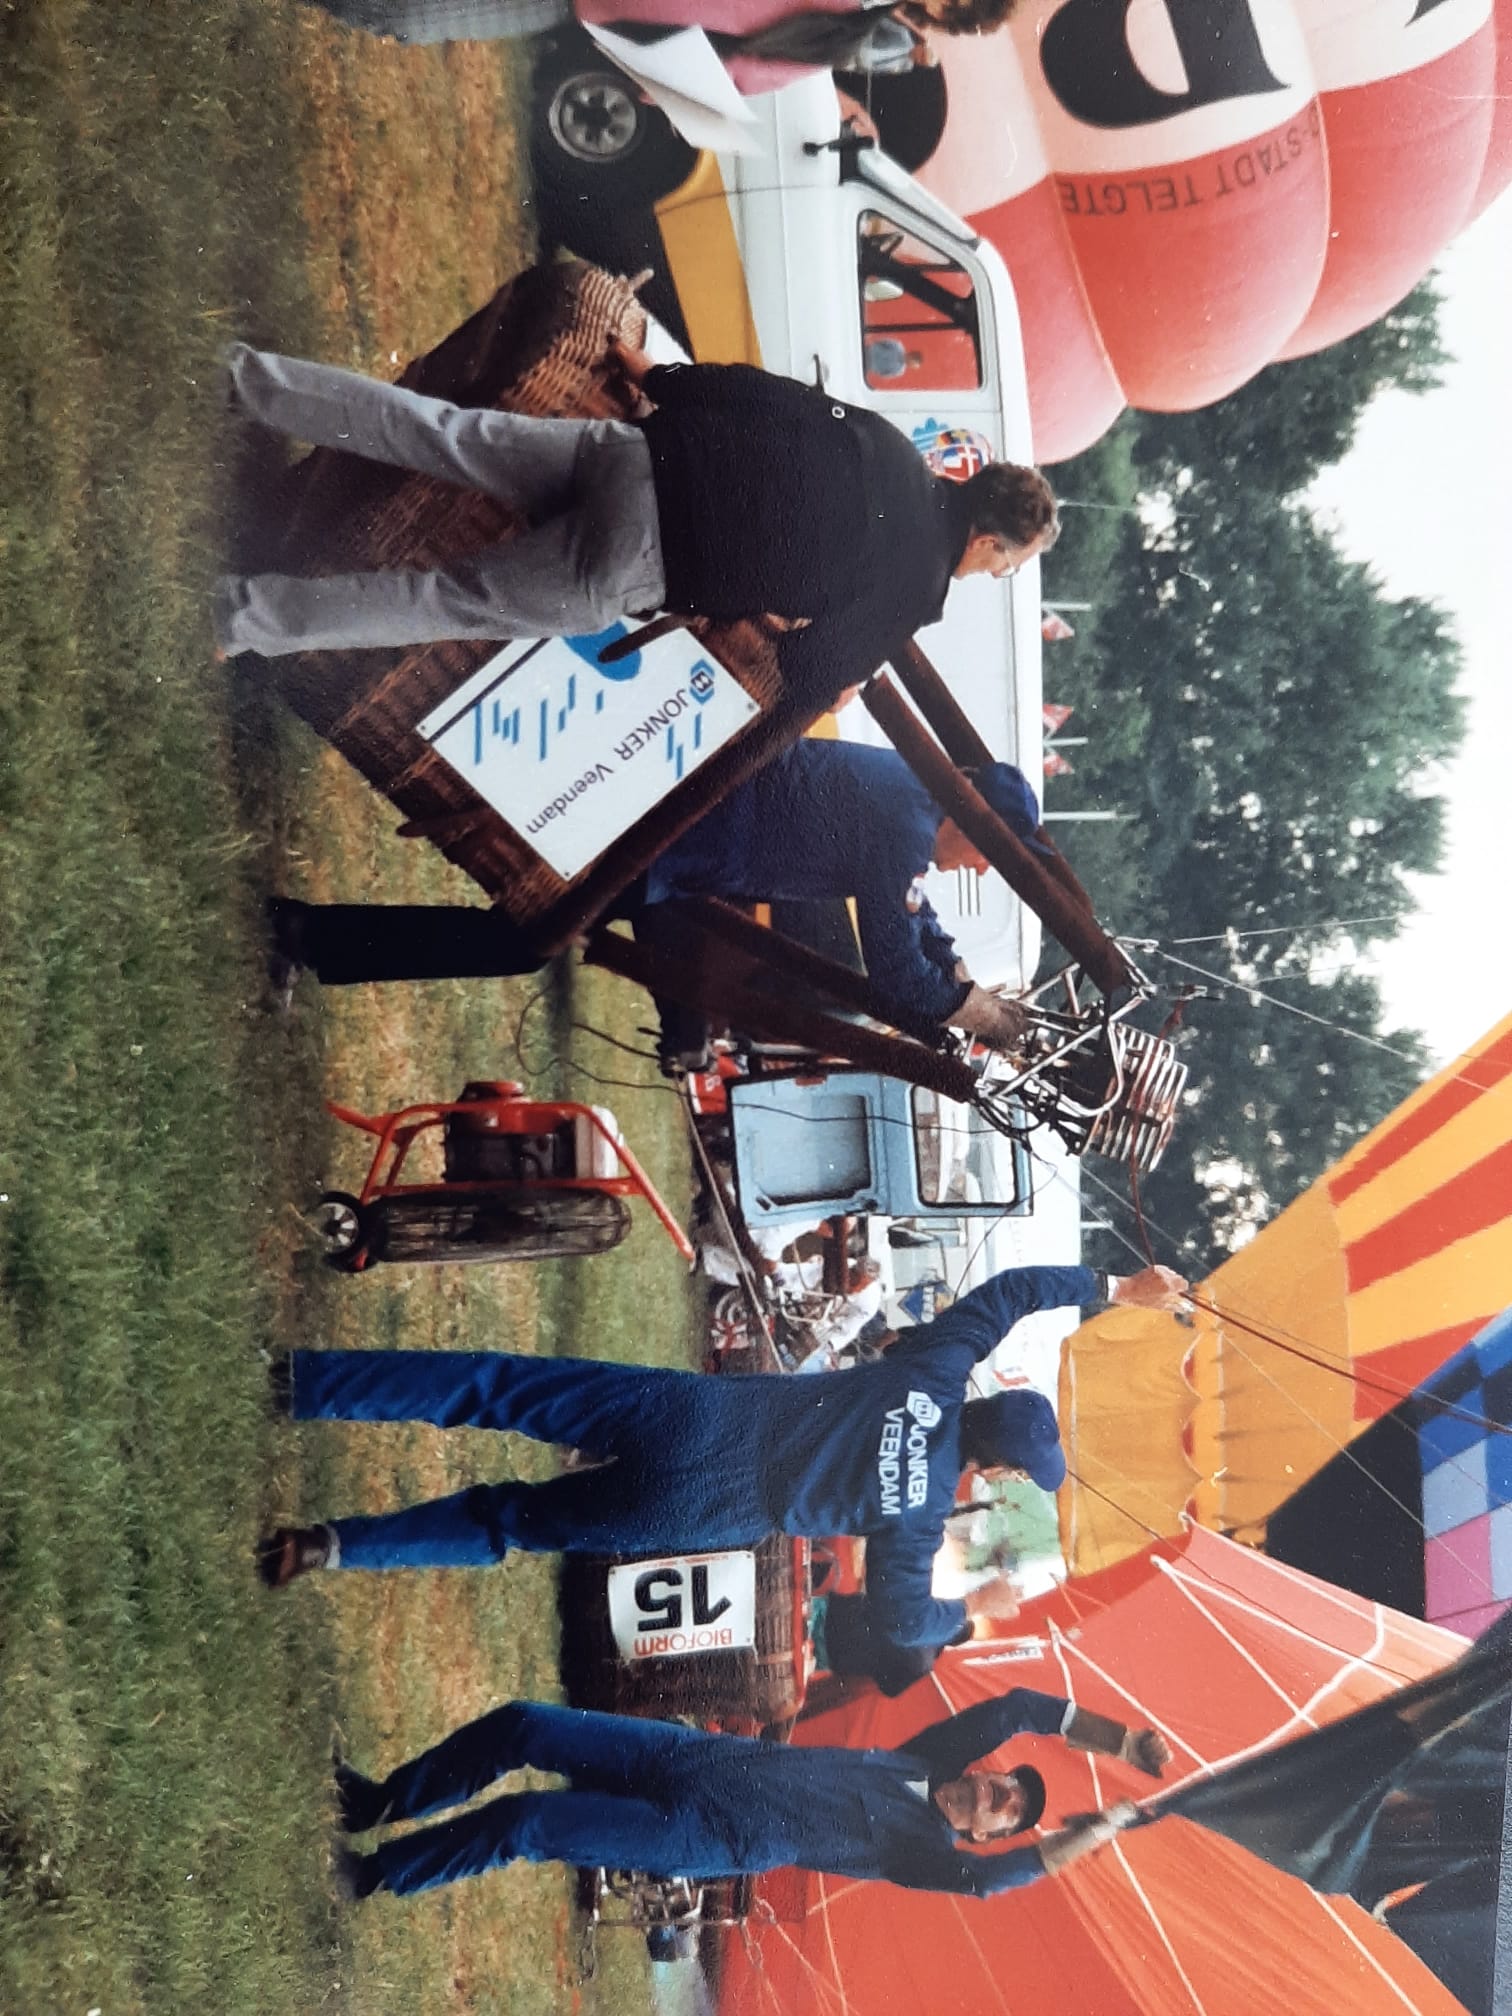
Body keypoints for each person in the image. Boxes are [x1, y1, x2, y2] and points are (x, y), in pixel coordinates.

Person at [258, 1263, 1187, 1675]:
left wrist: (1116, 1292)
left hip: (701, 1413)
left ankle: (303, 1384)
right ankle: (332, 1546)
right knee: (513, 1523)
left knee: (495, 1389)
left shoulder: (935, 1371)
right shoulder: (914, 1517)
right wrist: (968, 1612)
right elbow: (903, 1620)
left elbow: (1014, 1292)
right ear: (998, 1469)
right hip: (711, 1503)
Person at [212, 341, 1058, 718]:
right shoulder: (920, 592)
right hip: (640, 561)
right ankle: (238, 618)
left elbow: (758, 394)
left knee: (445, 432)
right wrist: (839, 683)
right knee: (443, 598)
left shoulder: (886, 444)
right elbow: (804, 671)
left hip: (636, 456)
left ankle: (251, 380)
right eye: (1006, 567)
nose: (994, 575)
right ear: (988, 544)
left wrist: (667, 379)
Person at [264, 739, 1056, 1044]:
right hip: (671, 838)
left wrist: (955, 972)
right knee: (519, 943)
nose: (984, 871)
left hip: (683, 841)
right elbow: (894, 969)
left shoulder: (914, 805)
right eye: (994, 857)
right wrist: (973, 1011)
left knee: (521, 936)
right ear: (974, 824)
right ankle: (304, 934)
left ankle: (312, 936)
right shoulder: (904, 825)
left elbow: (917, 920)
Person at [329, 1688, 1170, 1899]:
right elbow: (1024, 1708)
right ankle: (378, 1803)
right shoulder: (925, 1758)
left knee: (530, 1821)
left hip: (708, 1837)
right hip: (694, 1760)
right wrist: (1121, 1741)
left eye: (1008, 1813)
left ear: (987, 1835)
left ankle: (374, 1874)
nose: (996, 1797)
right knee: (524, 1726)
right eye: (1002, 1785)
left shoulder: (926, 1852)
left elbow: (996, 1884)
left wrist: (1089, 1834)